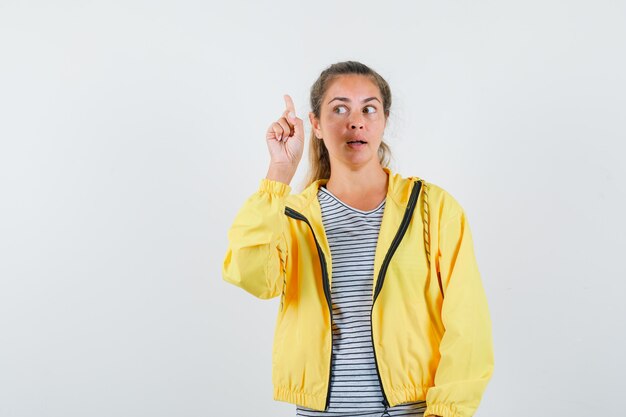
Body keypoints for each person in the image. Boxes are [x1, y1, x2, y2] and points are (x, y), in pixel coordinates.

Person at [222, 61, 494, 417]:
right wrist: (279, 174)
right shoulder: (290, 215)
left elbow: (468, 325)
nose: (356, 121)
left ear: (383, 120)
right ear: (315, 124)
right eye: (339, 109)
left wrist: (447, 413)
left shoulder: (433, 208)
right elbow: (252, 277)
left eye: (369, 108)